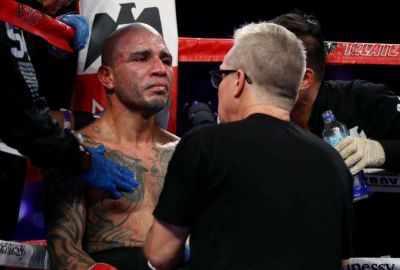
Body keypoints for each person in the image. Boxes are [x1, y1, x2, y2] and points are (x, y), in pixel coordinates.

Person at [0, 0, 136, 268]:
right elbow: (18, 109)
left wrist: (49, 41)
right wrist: (81, 159)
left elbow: (34, 96)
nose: (67, 2)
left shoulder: (19, 18)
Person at [145, 22, 354, 270]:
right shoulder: (333, 161)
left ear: (239, 80)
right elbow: (341, 262)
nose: (218, 86)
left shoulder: (205, 144)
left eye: (220, 75)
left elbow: (160, 253)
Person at [44, 23, 180, 270]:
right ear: (107, 77)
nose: (160, 69)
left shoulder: (183, 152)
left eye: (166, 60)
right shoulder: (78, 149)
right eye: (141, 58)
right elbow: (63, 246)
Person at [270, 10, 400, 257]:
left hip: (377, 251)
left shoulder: (363, 99)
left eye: (268, 66)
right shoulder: (261, 120)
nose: (258, 74)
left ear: (304, 78)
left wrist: (382, 150)